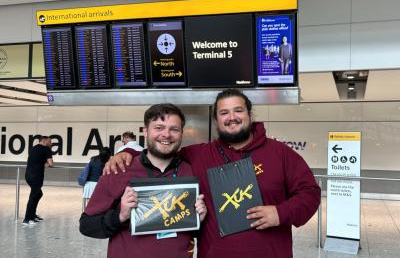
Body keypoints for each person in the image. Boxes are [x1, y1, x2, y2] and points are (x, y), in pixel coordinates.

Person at [106, 89, 321, 258]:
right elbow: (162, 150)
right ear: (216, 120)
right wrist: (126, 153)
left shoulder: (279, 153)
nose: (232, 117)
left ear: (249, 114)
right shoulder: (198, 155)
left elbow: (310, 192)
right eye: (224, 113)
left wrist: (281, 213)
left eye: (238, 110)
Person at [79, 103, 207, 258]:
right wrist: (120, 216)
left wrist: (198, 219)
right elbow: (86, 225)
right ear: (145, 131)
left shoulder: (190, 170)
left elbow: (190, 230)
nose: (166, 134)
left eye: (174, 129)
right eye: (159, 128)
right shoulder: (119, 169)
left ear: (181, 133)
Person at [23, 136, 54, 226]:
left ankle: (32, 215)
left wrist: (45, 163)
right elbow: (51, 163)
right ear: (44, 141)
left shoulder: (33, 148)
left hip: (28, 175)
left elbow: (38, 160)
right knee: (33, 196)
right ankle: (27, 219)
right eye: (50, 141)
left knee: (38, 194)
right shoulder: (46, 149)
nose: (51, 143)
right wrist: (48, 164)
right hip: (36, 176)